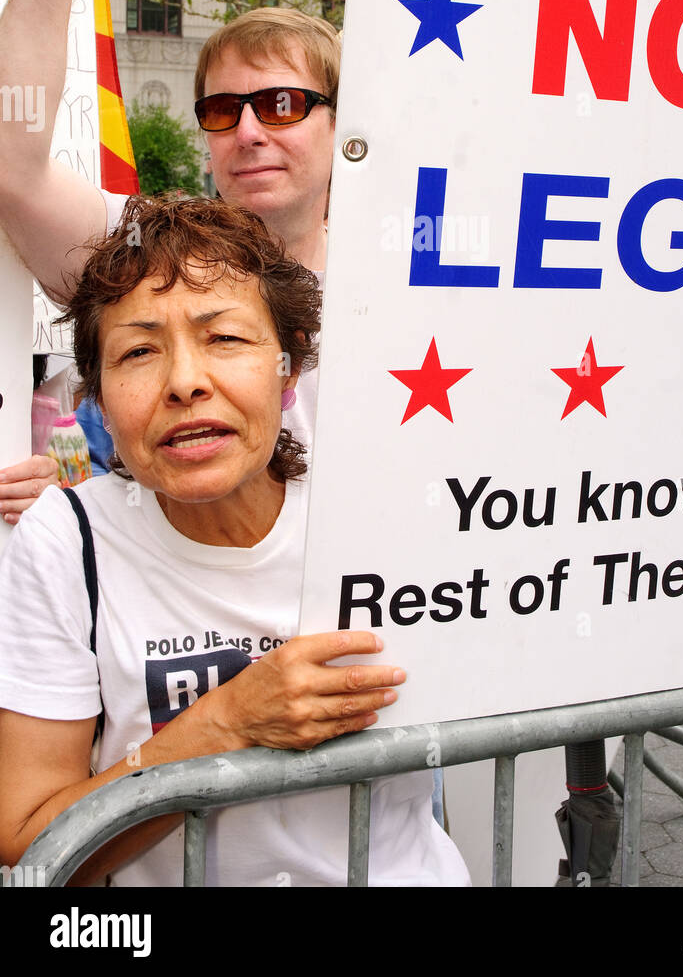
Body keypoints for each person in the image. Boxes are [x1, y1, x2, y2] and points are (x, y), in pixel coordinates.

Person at [0, 195, 468, 886]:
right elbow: (28, 839)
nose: (186, 382)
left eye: (225, 339)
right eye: (138, 351)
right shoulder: (65, 543)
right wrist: (224, 724)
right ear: (96, 399)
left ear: (290, 370)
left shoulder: (388, 513)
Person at [0, 0, 337, 518]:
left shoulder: (419, 279)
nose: (248, 132)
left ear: (343, 123)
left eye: (281, 105)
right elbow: (12, 163)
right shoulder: (139, 257)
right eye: (221, 110)